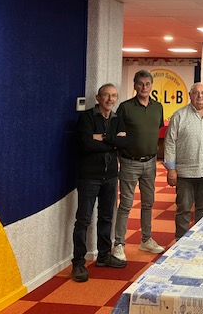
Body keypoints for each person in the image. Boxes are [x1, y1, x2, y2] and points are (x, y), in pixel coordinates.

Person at [72, 84, 129, 282]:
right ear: (98, 97)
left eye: (114, 96)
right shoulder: (87, 117)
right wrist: (112, 143)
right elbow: (86, 144)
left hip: (111, 176)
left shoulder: (117, 118)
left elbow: (125, 143)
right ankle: (78, 262)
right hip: (90, 177)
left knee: (106, 217)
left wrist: (102, 138)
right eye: (106, 95)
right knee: (83, 220)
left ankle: (104, 256)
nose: (110, 99)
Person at [164, 83, 203, 239]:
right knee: (183, 209)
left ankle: (200, 240)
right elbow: (170, 142)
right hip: (185, 173)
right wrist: (171, 169)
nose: (200, 96)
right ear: (190, 95)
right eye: (196, 93)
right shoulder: (179, 115)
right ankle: (181, 241)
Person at [114, 70, 165, 262]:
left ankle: (146, 240)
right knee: (126, 204)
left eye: (147, 84)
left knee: (148, 203)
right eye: (141, 84)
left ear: (152, 86)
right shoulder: (125, 108)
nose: (144, 87)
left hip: (151, 163)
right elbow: (118, 133)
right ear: (135, 85)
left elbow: (156, 129)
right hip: (129, 162)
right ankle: (119, 244)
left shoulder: (157, 107)